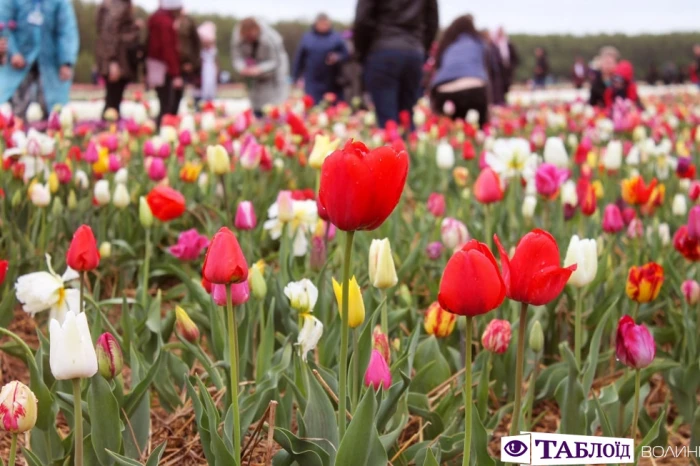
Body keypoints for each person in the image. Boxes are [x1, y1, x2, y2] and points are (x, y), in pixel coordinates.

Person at [354, 0, 439, 128]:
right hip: (414, 50)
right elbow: (432, 22)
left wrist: (363, 53)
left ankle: (393, 144)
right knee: (407, 115)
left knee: (387, 120)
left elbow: (362, 20)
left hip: (382, 49)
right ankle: (408, 146)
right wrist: (421, 49)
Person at [0, 0, 79, 120]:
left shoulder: (60, 3)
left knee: (54, 111)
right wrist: (13, 52)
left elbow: (67, 31)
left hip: (50, 63)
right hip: (17, 65)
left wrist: (66, 62)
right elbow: (3, 25)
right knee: (12, 112)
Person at [430, 15, 489, 127]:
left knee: (447, 134)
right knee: (476, 131)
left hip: (444, 91)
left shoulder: (447, 45)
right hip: (475, 89)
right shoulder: (478, 42)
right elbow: (485, 71)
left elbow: (438, 70)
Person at [231, 17, 290, 117]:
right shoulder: (237, 38)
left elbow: (276, 62)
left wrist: (259, 69)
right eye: (246, 37)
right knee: (255, 104)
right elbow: (236, 57)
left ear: (257, 30)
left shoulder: (271, 38)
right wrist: (242, 68)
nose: (249, 39)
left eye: (251, 36)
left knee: (273, 106)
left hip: (273, 77)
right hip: (253, 79)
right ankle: (257, 115)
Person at [95, 0, 141, 119]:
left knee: (114, 99)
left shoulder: (115, 5)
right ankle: (107, 134)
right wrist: (113, 61)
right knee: (112, 101)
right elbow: (109, 34)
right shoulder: (118, 6)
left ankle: (110, 131)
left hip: (119, 59)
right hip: (118, 60)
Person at [292, 13, 349, 105]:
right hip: (312, 80)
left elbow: (346, 55)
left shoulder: (337, 37)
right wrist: (295, 77)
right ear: (316, 24)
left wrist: (337, 57)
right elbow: (299, 59)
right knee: (313, 106)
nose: (323, 26)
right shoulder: (307, 38)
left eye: (325, 24)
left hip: (333, 81)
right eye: (321, 23)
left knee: (333, 107)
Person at [146, 0, 183, 127]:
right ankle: (164, 130)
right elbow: (168, 49)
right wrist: (175, 73)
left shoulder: (156, 18)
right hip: (164, 68)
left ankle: (162, 129)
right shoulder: (166, 22)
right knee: (167, 104)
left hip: (156, 65)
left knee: (163, 102)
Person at [174, 11, 201, 111]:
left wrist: (193, 63)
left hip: (185, 64)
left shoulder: (188, 22)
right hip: (170, 65)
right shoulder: (166, 19)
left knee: (178, 94)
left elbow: (196, 43)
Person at [492, 27, 519, 97]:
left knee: (507, 85)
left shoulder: (508, 43)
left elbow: (514, 57)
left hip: (507, 68)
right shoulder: (494, 44)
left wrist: (511, 66)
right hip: (498, 69)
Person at [196, 21, 218, 103]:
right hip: (202, 71)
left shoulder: (213, 49)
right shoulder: (199, 50)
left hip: (211, 70)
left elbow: (216, 60)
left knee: (210, 87)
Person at [482, 30, 505, 105]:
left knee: (496, 89)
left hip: (495, 71)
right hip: (488, 71)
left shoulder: (494, 46)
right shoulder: (484, 46)